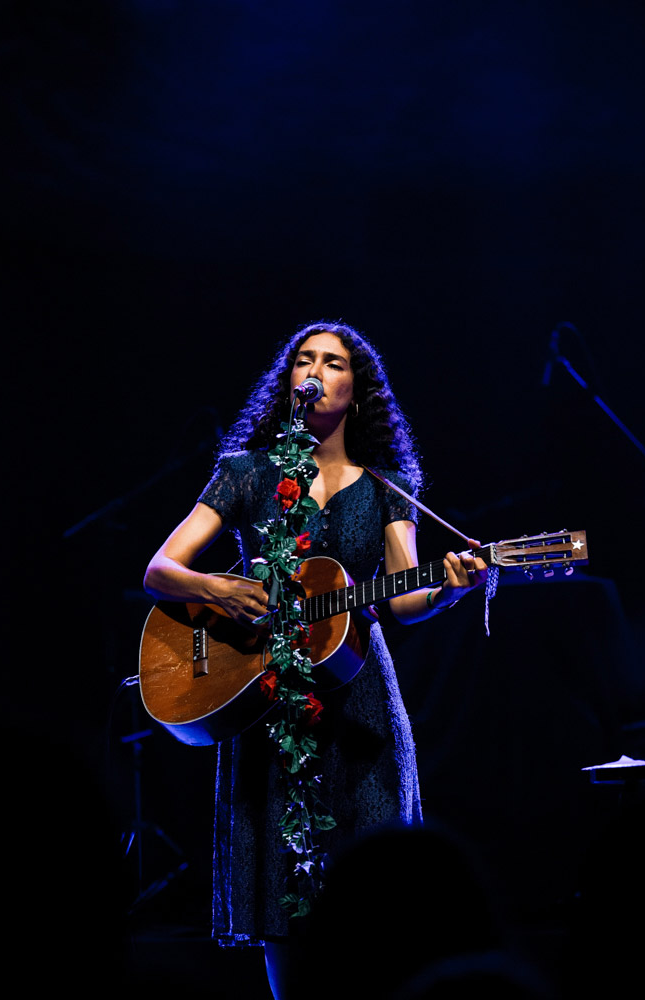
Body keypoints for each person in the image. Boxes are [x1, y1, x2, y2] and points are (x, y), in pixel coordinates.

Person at [143, 321, 488, 997]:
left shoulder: (389, 485)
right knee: (279, 884)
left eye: (333, 363)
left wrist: (447, 591)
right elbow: (161, 569)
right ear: (288, 381)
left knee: (379, 885)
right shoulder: (244, 474)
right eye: (305, 360)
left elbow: (402, 602)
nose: (315, 370)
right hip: (267, 698)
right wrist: (219, 586)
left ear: (356, 391)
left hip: (361, 704)